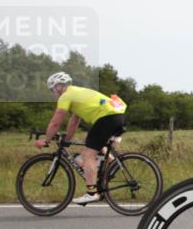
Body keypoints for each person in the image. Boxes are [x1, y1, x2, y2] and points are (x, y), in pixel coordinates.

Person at [36, 72, 128, 205]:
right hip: (117, 117)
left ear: (59, 86)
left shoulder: (66, 96)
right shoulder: (76, 93)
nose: (53, 93)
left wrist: (46, 139)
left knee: (87, 154)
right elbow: (74, 121)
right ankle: (111, 168)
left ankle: (91, 193)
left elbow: (56, 121)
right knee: (91, 143)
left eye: (52, 89)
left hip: (107, 118)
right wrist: (67, 139)